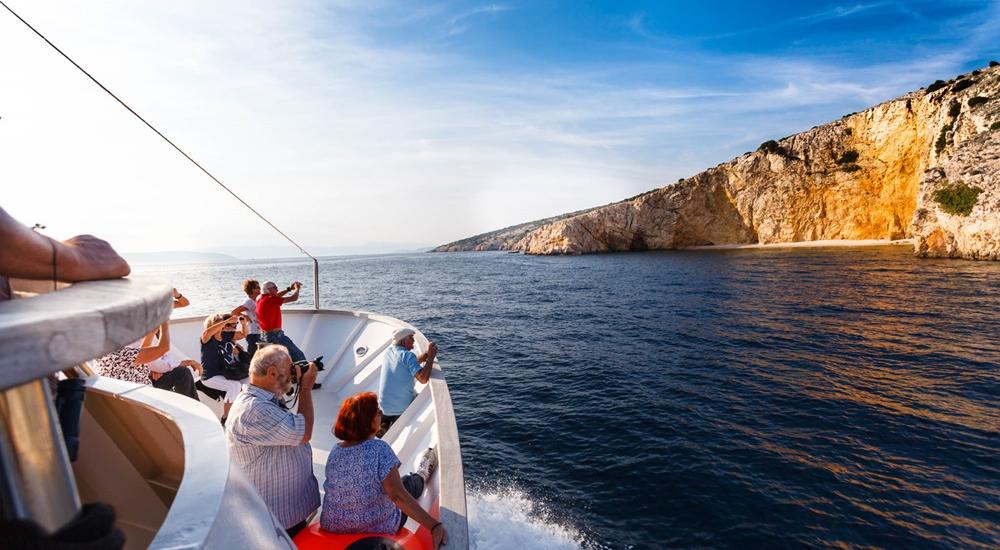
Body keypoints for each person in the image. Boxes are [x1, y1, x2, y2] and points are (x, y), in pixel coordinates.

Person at [320, 392, 447, 549]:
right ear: (368, 420)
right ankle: (422, 473)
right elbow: (397, 496)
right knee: (406, 484)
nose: (381, 414)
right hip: (375, 527)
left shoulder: (336, 450)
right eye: (378, 411)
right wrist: (434, 527)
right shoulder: (379, 449)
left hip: (333, 525)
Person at [226, 345, 320, 538]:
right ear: (272, 373)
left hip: (284, 513)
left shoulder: (263, 400)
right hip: (276, 522)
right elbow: (303, 433)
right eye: (289, 369)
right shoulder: (254, 410)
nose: (293, 373)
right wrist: (306, 387)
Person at [376, 328, 437, 437]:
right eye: (411, 338)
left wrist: (423, 357)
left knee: (389, 412)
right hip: (401, 408)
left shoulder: (389, 352)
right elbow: (423, 379)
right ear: (404, 341)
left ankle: (384, 424)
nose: (414, 341)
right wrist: (431, 358)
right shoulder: (408, 356)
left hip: (383, 406)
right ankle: (396, 422)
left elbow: (403, 363)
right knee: (420, 399)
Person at [200, 313, 250, 424]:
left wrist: (244, 324)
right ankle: (226, 418)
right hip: (209, 376)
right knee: (234, 386)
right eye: (219, 322)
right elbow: (207, 332)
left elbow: (243, 334)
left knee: (247, 383)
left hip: (225, 373)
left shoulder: (226, 335)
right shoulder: (207, 338)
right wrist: (226, 322)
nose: (222, 324)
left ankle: (242, 413)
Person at [142, 325, 202, 400]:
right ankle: (193, 408)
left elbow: (167, 356)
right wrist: (157, 368)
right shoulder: (139, 335)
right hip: (145, 381)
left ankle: (190, 406)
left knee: (182, 373)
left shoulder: (158, 334)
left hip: (157, 375)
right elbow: (147, 360)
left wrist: (160, 369)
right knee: (182, 372)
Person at [256, 280, 307, 363]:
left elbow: (277, 296)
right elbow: (294, 298)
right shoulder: (271, 299)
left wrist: (289, 289)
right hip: (275, 336)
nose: (277, 289)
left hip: (265, 336)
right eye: (275, 287)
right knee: (299, 356)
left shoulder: (260, 298)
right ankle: (305, 374)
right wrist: (297, 289)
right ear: (268, 290)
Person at [231, 279, 263, 357]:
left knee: (258, 355)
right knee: (253, 356)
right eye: (257, 287)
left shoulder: (254, 300)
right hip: (252, 333)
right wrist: (245, 316)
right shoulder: (249, 302)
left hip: (257, 331)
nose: (260, 289)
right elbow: (234, 312)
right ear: (252, 289)